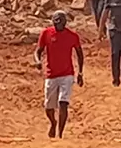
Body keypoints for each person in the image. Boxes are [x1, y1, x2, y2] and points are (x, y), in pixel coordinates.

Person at [34, 10, 84, 139]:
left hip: (67, 74)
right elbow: (38, 51)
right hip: (51, 75)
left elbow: (79, 53)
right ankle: (53, 123)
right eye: (56, 22)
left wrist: (80, 73)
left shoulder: (72, 36)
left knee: (63, 103)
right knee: (49, 107)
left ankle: (60, 134)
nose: (58, 25)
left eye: (61, 22)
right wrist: (38, 61)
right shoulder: (46, 33)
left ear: (65, 22)